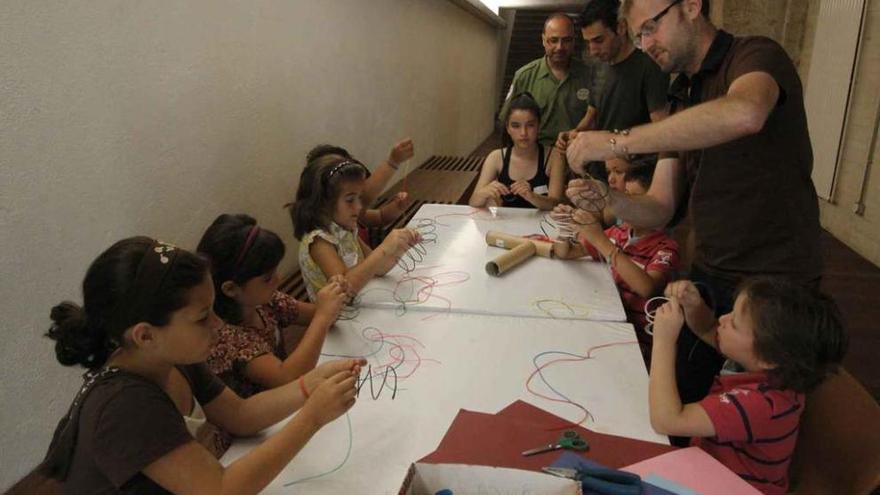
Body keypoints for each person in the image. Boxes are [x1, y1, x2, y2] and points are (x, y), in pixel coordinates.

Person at [564, 0, 822, 405]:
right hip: (711, 271)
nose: (646, 44)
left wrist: (617, 141)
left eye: (651, 27)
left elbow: (746, 112)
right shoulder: (683, 95)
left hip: (776, 280)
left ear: (690, 6)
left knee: (764, 417)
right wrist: (610, 198)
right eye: (637, 36)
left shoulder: (755, 54)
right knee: (682, 401)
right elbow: (661, 208)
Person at [38, 236, 363, 494]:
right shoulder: (125, 405)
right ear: (146, 336)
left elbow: (241, 415)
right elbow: (220, 489)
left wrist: (309, 386)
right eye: (202, 316)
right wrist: (311, 418)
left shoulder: (172, 359)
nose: (219, 324)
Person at [650, 277, 848, 494]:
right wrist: (694, 306)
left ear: (768, 358)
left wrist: (663, 341)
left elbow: (667, 420)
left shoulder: (762, 403)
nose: (723, 319)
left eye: (733, 323)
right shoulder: (772, 369)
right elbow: (708, 329)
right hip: (706, 470)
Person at [196, 214, 347, 398]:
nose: (279, 279)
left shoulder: (266, 301)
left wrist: (335, 296)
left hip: (287, 402)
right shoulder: (225, 338)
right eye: (267, 278)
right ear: (231, 289)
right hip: (262, 421)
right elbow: (287, 377)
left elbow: (319, 314)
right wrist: (323, 317)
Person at [555, 155, 679, 359]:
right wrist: (566, 226)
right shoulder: (620, 232)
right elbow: (566, 252)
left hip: (640, 344)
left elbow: (647, 287)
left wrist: (601, 241)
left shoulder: (666, 247)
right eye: (626, 198)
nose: (627, 209)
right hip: (609, 324)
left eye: (636, 202)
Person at [289, 154, 421, 301]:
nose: (359, 207)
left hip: (362, 304)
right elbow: (345, 289)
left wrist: (401, 247)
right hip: (338, 319)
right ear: (323, 203)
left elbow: (379, 268)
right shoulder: (320, 242)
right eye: (350, 200)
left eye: (359, 198)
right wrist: (384, 249)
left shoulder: (346, 230)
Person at [556, 0, 669, 155]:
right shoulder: (598, 67)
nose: (593, 51)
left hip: (633, 171)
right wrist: (574, 134)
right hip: (600, 169)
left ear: (621, 27)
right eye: (588, 42)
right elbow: (592, 117)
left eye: (599, 40)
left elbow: (662, 132)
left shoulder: (649, 66)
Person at [499, 13, 599, 148]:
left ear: (574, 41)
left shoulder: (590, 76)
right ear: (543, 40)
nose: (560, 47)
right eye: (554, 40)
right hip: (535, 153)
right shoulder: (524, 76)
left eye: (567, 40)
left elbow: (597, 121)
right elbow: (506, 121)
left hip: (576, 151)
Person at [469, 93, 566, 210]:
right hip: (505, 226)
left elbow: (556, 204)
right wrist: (483, 193)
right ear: (508, 128)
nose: (523, 133)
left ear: (539, 126)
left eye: (530, 125)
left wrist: (531, 196)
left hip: (542, 226)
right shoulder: (496, 157)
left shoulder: (554, 156)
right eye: (516, 126)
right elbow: (473, 201)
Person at [306, 139, 414, 235]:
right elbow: (366, 196)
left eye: (357, 197)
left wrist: (397, 207)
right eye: (350, 199)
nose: (358, 206)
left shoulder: (349, 216)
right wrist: (392, 162)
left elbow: (380, 217)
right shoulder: (324, 240)